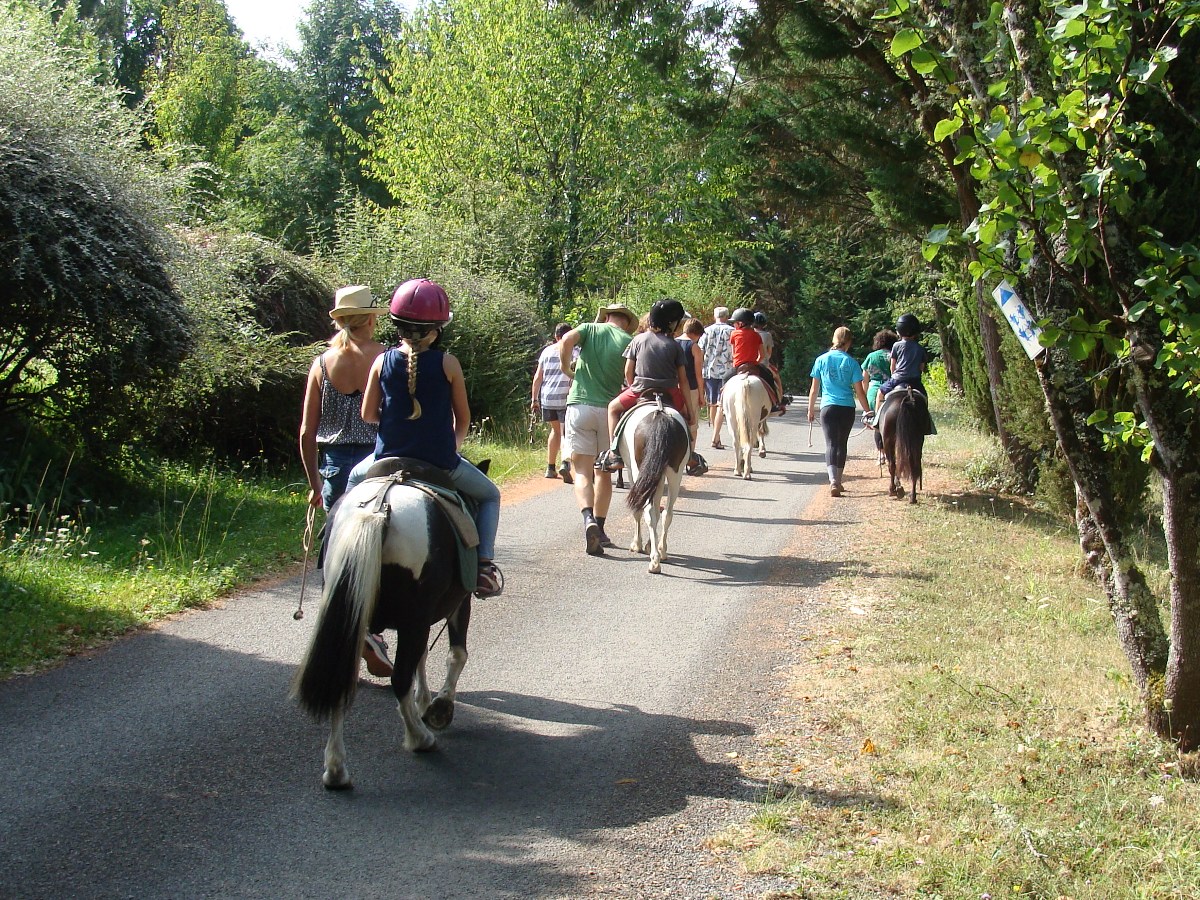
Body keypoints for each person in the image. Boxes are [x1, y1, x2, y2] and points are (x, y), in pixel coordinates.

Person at [348, 278, 504, 598]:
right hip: (439, 463)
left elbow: (367, 414)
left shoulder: (381, 361)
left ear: (397, 326)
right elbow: (463, 420)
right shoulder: (449, 363)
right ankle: (485, 566)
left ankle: (334, 543)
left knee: (352, 478)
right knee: (490, 496)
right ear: (437, 329)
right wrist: (453, 444)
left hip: (386, 459)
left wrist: (393, 422)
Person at [298, 284, 392, 676]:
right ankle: (373, 629)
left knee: (336, 548)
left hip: (336, 465)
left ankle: (337, 626)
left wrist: (314, 484)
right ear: (370, 319)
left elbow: (307, 430)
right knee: (383, 548)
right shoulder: (386, 359)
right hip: (380, 460)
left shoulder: (322, 364)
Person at [558, 302, 636, 555]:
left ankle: (588, 519)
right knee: (603, 472)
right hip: (610, 411)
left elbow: (567, 338)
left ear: (607, 317)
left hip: (580, 406)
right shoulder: (629, 340)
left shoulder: (591, 328)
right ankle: (600, 529)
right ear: (626, 322)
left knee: (581, 470)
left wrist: (566, 368)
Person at [598, 299, 697, 472]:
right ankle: (689, 455)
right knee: (686, 420)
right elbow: (683, 380)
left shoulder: (637, 340)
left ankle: (615, 452)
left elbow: (628, 370)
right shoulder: (675, 346)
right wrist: (690, 410)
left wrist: (632, 386)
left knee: (612, 408)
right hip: (670, 392)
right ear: (672, 324)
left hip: (640, 389)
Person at [808, 326, 872, 497]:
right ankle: (839, 479)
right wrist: (868, 411)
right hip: (847, 408)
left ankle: (832, 481)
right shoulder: (851, 362)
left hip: (828, 407)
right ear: (848, 342)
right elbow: (860, 392)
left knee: (830, 443)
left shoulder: (821, 359)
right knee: (841, 443)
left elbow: (814, 389)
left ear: (833, 339)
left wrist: (810, 409)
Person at [531, 323, 575, 483]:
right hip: (565, 397)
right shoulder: (574, 351)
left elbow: (538, 377)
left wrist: (534, 399)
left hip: (547, 397)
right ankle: (565, 463)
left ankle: (550, 467)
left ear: (556, 336)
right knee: (565, 433)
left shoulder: (546, 351)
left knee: (555, 431)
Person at [699, 306, 735, 449]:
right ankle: (716, 436)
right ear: (727, 317)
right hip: (728, 372)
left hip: (710, 371)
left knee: (713, 403)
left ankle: (716, 436)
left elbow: (700, 351)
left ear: (715, 317)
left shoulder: (706, 331)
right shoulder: (732, 331)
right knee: (722, 404)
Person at [677, 317, 708, 475]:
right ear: (697, 334)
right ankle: (689, 458)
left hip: (673, 388)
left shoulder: (672, 342)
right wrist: (702, 395)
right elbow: (698, 374)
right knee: (692, 425)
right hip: (690, 389)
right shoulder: (694, 347)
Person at [861, 328, 899, 411]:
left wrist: (864, 396)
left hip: (874, 392)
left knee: (870, 420)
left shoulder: (871, 356)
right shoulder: (895, 357)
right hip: (892, 390)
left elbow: (864, 380)